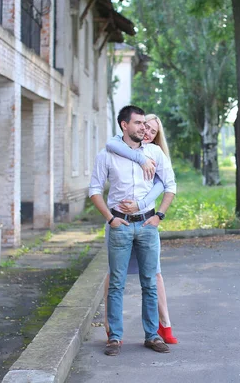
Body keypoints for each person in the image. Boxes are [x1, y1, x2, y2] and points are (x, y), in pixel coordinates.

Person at [89, 105, 176, 356]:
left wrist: (159, 215)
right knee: (117, 283)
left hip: (148, 225)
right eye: (138, 123)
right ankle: (114, 338)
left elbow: (170, 185)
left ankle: (152, 336)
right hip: (121, 225)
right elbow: (94, 189)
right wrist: (109, 219)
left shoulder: (155, 152)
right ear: (124, 126)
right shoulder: (107, 154)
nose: (144, 129)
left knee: (149, 282)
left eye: (145, 124)